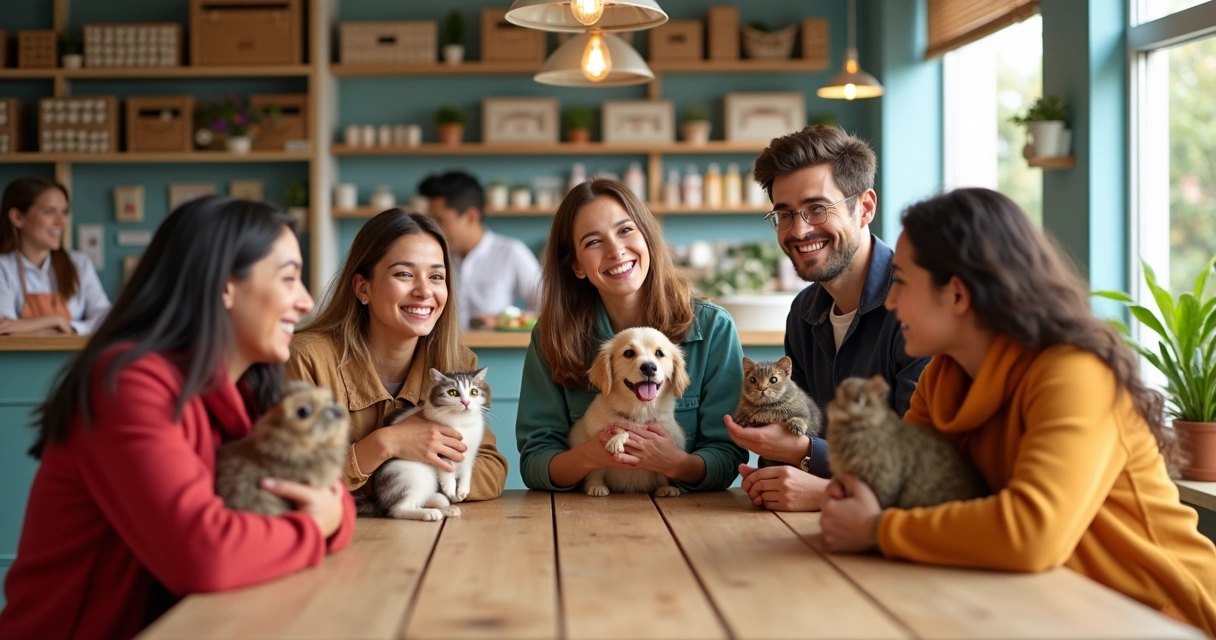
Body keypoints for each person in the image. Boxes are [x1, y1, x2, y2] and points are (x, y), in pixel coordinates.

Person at [819, 187, 1216, 636]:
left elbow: (1031, 533)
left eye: (902, 283)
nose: (890, 302)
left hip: (1158, 619)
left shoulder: (1074, 374)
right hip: (1038, 608)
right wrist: (858, 499)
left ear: (957, 294)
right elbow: (899, 486)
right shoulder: (942, 378)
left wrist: (876, 530)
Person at [0, 196, 356, 639]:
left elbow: (332, 495)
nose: (305, 301)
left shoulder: (248, 389)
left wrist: (328, 517)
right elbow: (205, 556)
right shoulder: (129, 384)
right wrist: (315, 527)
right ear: (224, 284)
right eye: (289, 279)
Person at [726, 125, 929, 512]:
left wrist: (807, 459)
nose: (799, 230)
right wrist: (771, 475)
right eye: (784, 214)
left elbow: (919, 458)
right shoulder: (803, 313)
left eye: (817, 208)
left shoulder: (916, 306)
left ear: (865, 207)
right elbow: (788, 432)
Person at [516, 178, 747, 493]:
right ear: (577, 266)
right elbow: (535, 462)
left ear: (647, 238)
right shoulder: (551, 335)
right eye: (593, 242)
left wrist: (674, 463)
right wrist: (589, 455)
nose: (616, 250)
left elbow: (729, 455)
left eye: (626, 230)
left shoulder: (713, 328)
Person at [287, 208, 507, 500]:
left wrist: (417, 475)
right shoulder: (306, 359)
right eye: (404, 274)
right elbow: (286, 478)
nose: (424, 291)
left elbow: (490, 471)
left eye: (436, 276)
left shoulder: (457, 364)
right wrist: (385, 444)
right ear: (363, 288)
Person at [418, 170, 541, 329]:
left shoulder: (510, 252)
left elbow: (552, 308)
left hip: (493, 352)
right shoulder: (432, 256)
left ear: (471, 216)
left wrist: (505, 321)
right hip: (440, 351)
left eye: (440, 220)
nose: (432, 229)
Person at [0, 177, 111, 335]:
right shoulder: (3, 268)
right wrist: (55, 321)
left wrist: (71, 328)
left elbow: (105, 319)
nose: (61, 222)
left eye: (64, 212)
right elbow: (5, 329)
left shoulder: (80, 263)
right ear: (18, 217)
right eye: (49, 212)